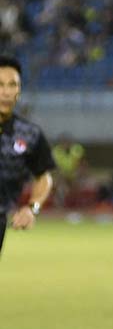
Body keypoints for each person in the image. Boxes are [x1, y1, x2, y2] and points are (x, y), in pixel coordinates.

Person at [0, 55, 54, 257]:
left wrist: (32, 208)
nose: (6, 92)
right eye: (0, 85)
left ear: (19, 90)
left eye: (12, 85)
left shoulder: (29, 134)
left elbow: (44, 176)